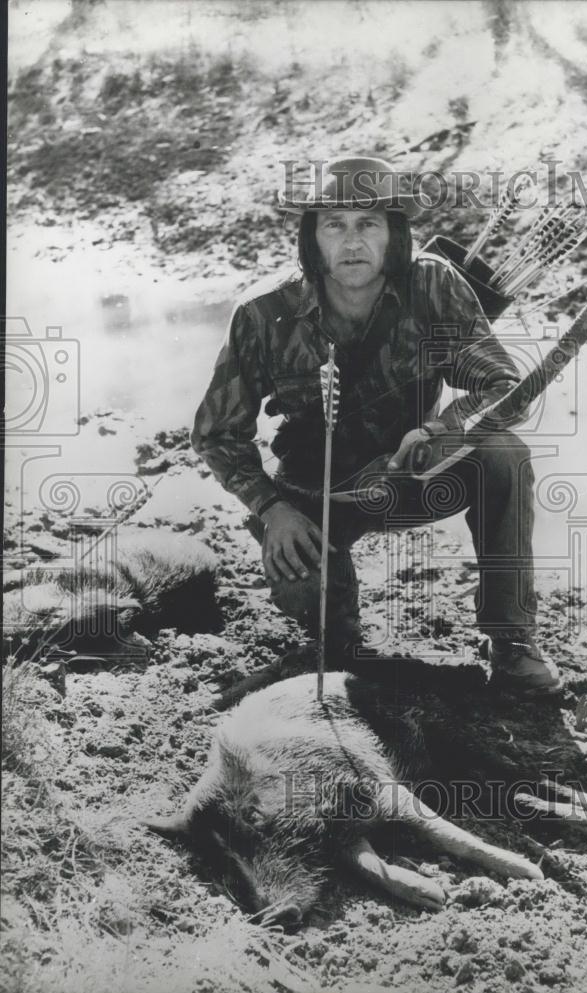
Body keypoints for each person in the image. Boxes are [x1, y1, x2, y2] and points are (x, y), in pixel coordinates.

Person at [191, 156, 562, 692]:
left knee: (504, 453)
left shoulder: (433, 284)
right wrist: (273, 511)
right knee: (331, 648)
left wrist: (442, 431)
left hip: (414, 477)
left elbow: (503, 388)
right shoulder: (264, 314)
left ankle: (512, 639)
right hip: (315, 501)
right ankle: (331, 633)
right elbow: (216, 433)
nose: (351, 242)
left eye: (369, 223)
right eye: (334, 225)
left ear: (395, 234)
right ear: (310, 237)